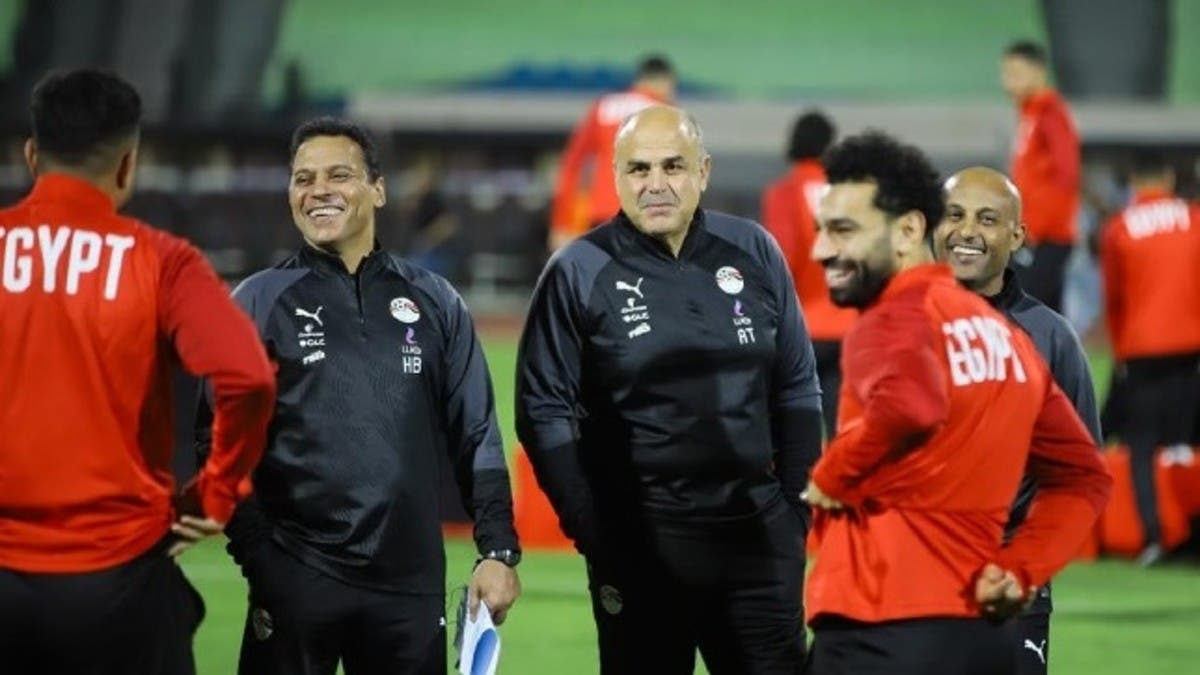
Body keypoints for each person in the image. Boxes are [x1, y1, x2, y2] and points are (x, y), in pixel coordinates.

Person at [195, 116, 521, 675]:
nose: (318, 190)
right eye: (303, 179)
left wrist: (498, 549)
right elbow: (216, 442)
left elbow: (477, 434)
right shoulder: (256, 303)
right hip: (296, 581)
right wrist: (260, 559)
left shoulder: (436, 301)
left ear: (378, 189)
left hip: (410, 589)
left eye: (339, 175)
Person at [517, 105, 823, 675]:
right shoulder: (578, 269)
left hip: (758, 546)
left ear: (703, 172)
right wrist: (593, 532)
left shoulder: (753, 250)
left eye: (673, 166)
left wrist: (793, 515)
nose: (655, 184)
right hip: (641, 551)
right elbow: (542, 411)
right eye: (638, 169)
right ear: (616, 177)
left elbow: (797, 388)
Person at [802, 131, 1111, 675]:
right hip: (981, 623)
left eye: (844, 230)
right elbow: (1086, 477)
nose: (822, 250)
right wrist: (1019, 567)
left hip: (881, 619)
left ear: (907, 230)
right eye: (823, 230)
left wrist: (833, 474)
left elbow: (910, 405)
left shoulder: (899, 316)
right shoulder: (1012, 342)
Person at [0, 68, 276, 674]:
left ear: (31, 155)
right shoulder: (163, 261)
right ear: (128, 164)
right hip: (118, 584)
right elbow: (248, 377)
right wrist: (217, 491)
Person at [935, 166, 1103, 674]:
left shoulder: (1051, 338)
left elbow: (1081, 477)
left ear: (1017, 236)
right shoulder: (895, 326)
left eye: (987, 219)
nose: (966, 231)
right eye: (954, 215)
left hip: (1009, 589)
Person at [1099, 151, 1200, 567]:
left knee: (1142, 445)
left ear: (1134, 183)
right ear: (1169, 179)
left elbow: (1114, 298)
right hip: (1193, 346)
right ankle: (1192, 534)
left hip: (1142, 349)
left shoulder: (1119, 228)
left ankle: (1155, 538)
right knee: (1188, 440)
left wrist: (1121, 351)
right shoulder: (1193, 220)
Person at [761, 110, 856, 437]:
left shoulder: (784, 193)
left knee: (794, 431)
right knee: (842, 428)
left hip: (804, 327)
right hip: (849, 327)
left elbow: (783, 259)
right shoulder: (849, 197)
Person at [548, 54, 677, 251]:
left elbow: (572, 165)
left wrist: (562, 223)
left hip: (602, 217)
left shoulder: (604, 106)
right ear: (666, 82)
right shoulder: (665, 112)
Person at [1001, 40, 1081, 313]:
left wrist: (1035, 229)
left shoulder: (1050, 113)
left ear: (1039, 72)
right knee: (1047, 315)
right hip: (1038, 235)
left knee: (1022, 313)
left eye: (1016, 74)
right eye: (1006, 74)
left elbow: (1067, 174)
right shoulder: (1029, 114)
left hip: (1046, 237)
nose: (1008, 82)